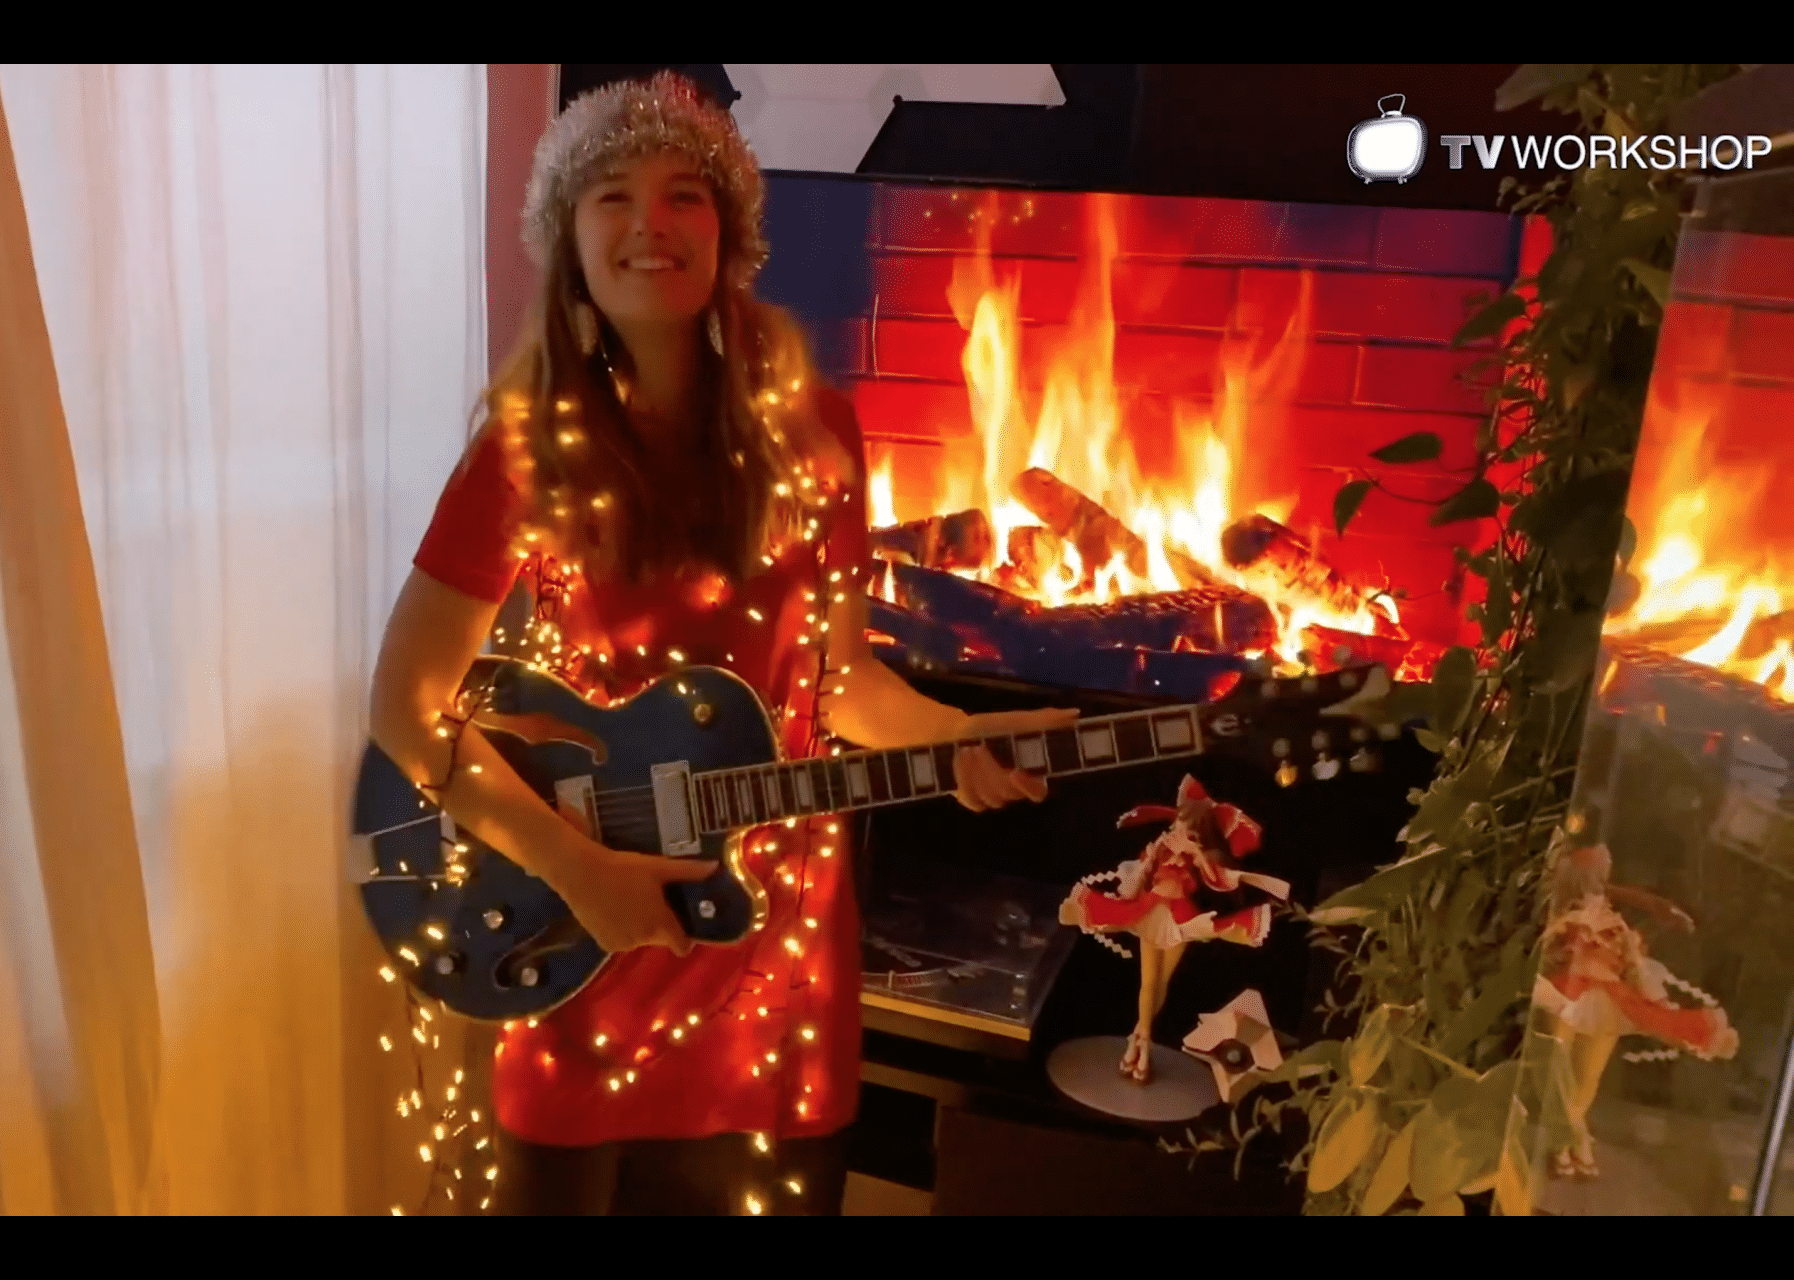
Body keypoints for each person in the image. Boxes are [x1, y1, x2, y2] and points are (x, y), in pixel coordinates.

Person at [368, 71, 1075, 1216]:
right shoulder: (525, 449)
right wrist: (579, 871)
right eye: (611, 194)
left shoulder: (819, 430)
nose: (648, 222)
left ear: (728, 230)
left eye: (682, 193)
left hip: (774, 974)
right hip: (586, 940)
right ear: (568, 237)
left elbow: (840, 682)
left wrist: (954, 737)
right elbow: (404, 705)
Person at [1058, 774, 1288, 1084]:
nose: (1179, 831)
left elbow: (1217, 880)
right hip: (1149, 911)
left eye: (1188, 828)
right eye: (1178, 823)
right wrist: (1148, 861)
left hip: (1180, 920)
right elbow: (1137, 881)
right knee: (1148, 983)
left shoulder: (1197, 857)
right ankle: (1141, 1044)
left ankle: (1138, 1042)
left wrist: (1195, 853)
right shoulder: (1161, 850)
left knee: (1161, 982)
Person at [1534, 838, 1737, 1180]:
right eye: (1591, 874)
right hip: (1564, 989)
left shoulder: (1612, 918)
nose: (1598, 882)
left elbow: (1624, 928)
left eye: (1601, 875)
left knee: (1586, 1076)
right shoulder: (1558, 905)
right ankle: (1571, 1140)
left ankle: (1568, 1139)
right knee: (1558, 1071)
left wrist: (1639, 936)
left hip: (1608, 997)